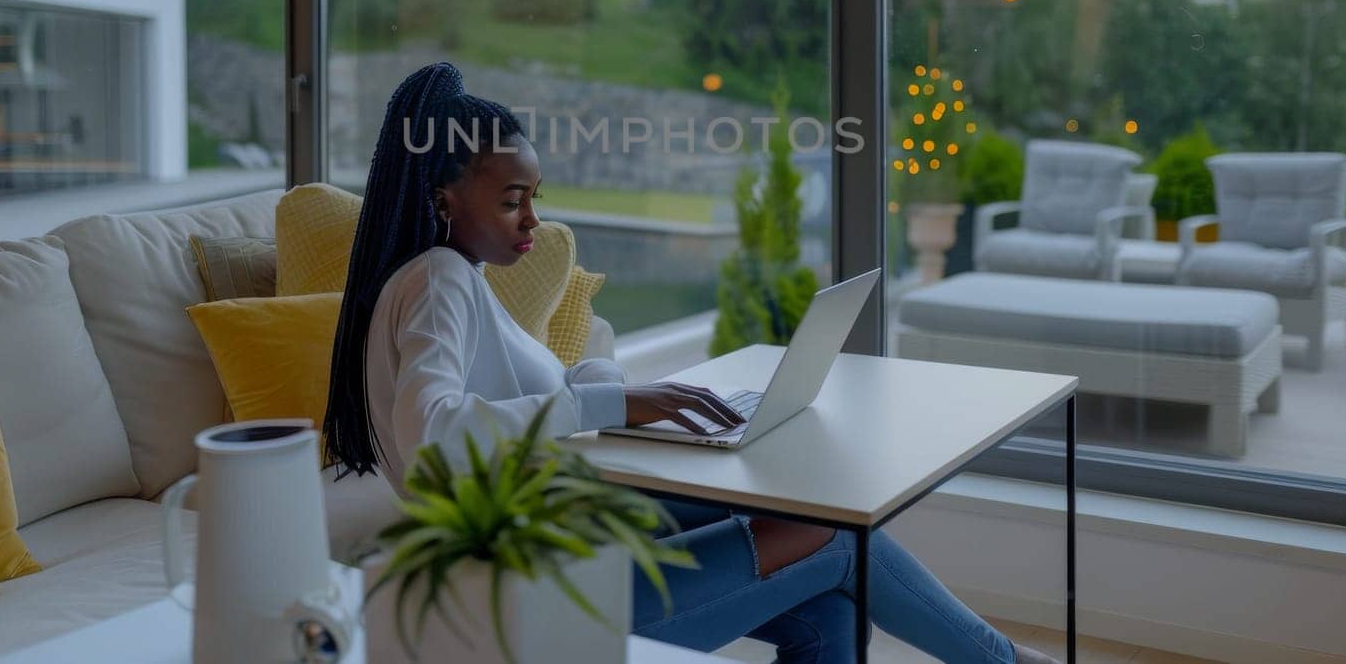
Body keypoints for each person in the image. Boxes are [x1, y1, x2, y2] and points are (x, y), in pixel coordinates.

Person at [323, 62, 1059, 664]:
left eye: (534, 198)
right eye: (513, 199)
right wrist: (604, 403)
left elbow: (563, 388)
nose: (533, 221)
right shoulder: (436, 282)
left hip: (572, 542)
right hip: (545, 596)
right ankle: (1002, 661)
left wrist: (618, 389)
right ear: (443, 198)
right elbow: (433, 440)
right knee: (833, 534)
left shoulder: (454, 281)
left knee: (828, 610)